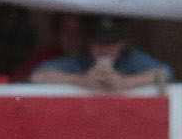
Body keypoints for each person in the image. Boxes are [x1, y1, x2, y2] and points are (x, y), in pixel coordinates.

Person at [29, 15, 172, 92]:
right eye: (99, 43)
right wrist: (82, 81)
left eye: (111, 44)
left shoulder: (130, 59)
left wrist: (124, 83)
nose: (105, 50)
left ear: (121, 44)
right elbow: (38, 75)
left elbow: (165, 73)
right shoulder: (81, 61)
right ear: (89, 43)